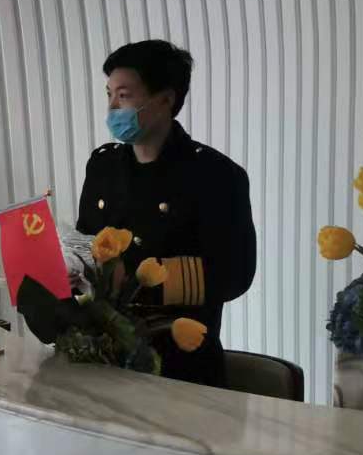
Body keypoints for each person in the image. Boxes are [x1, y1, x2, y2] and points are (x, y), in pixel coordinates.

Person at [76, 40, 256, 386]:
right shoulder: (102, 166)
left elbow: (234, 273)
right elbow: (85, 241)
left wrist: (135, 280)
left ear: (165, 99)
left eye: (124, 96)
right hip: (103, 358)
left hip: (180, 364)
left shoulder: (215, 175)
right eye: (109, 94)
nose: (112, 107)